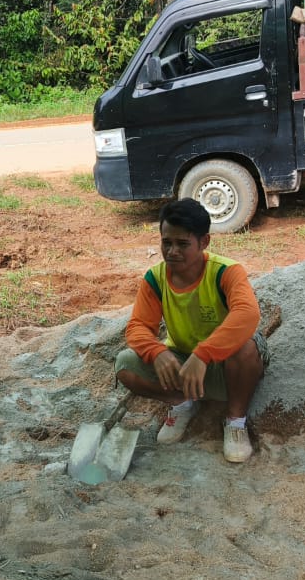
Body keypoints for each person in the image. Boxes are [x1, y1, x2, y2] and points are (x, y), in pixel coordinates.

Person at [114, 198, 270, 463]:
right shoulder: (155, 279)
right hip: (185, 365)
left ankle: (235, 421)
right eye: (166, 242)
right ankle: (182, 402)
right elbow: (138, 326)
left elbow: (248, 314)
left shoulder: (226, 272)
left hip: (226, 367)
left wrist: (204, 354)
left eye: (182, 244)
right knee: (125, 365)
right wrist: (157, 352)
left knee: (246, 346)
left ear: (204, 242)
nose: (172, 251)